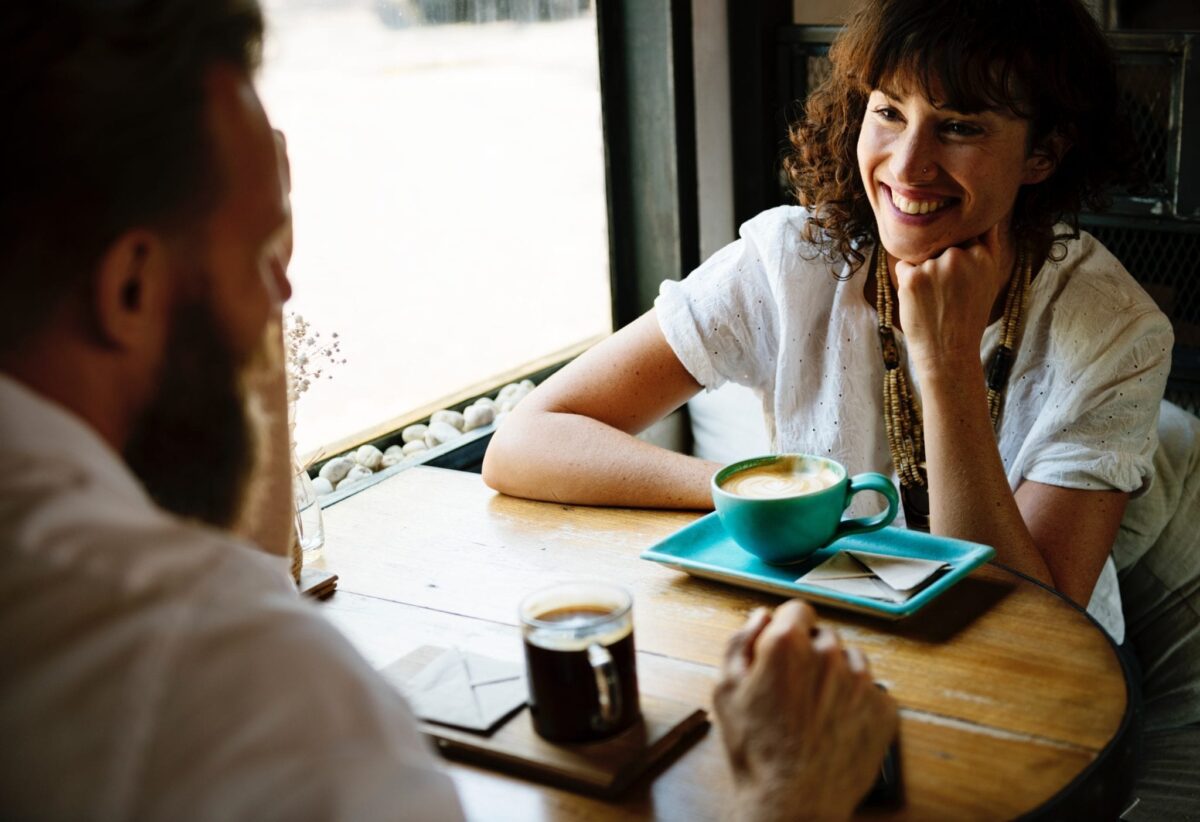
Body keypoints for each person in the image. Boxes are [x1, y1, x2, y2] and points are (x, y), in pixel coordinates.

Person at [0, 1, 896, 819]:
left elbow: (238, 569)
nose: (284, 299)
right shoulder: (251, 685)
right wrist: (789, 795)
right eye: (263, 257)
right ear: (128, 289)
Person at [483, 0, 1174, 643]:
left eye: (960, 126)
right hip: (832, 642)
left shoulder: (1118, 331)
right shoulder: (793, 260)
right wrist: (765, 503)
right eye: (890, 112)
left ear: (1043, 153)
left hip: (1043, 685)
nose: (907, 166)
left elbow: (1029, 626)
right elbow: (523, 443)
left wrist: (947, 363)